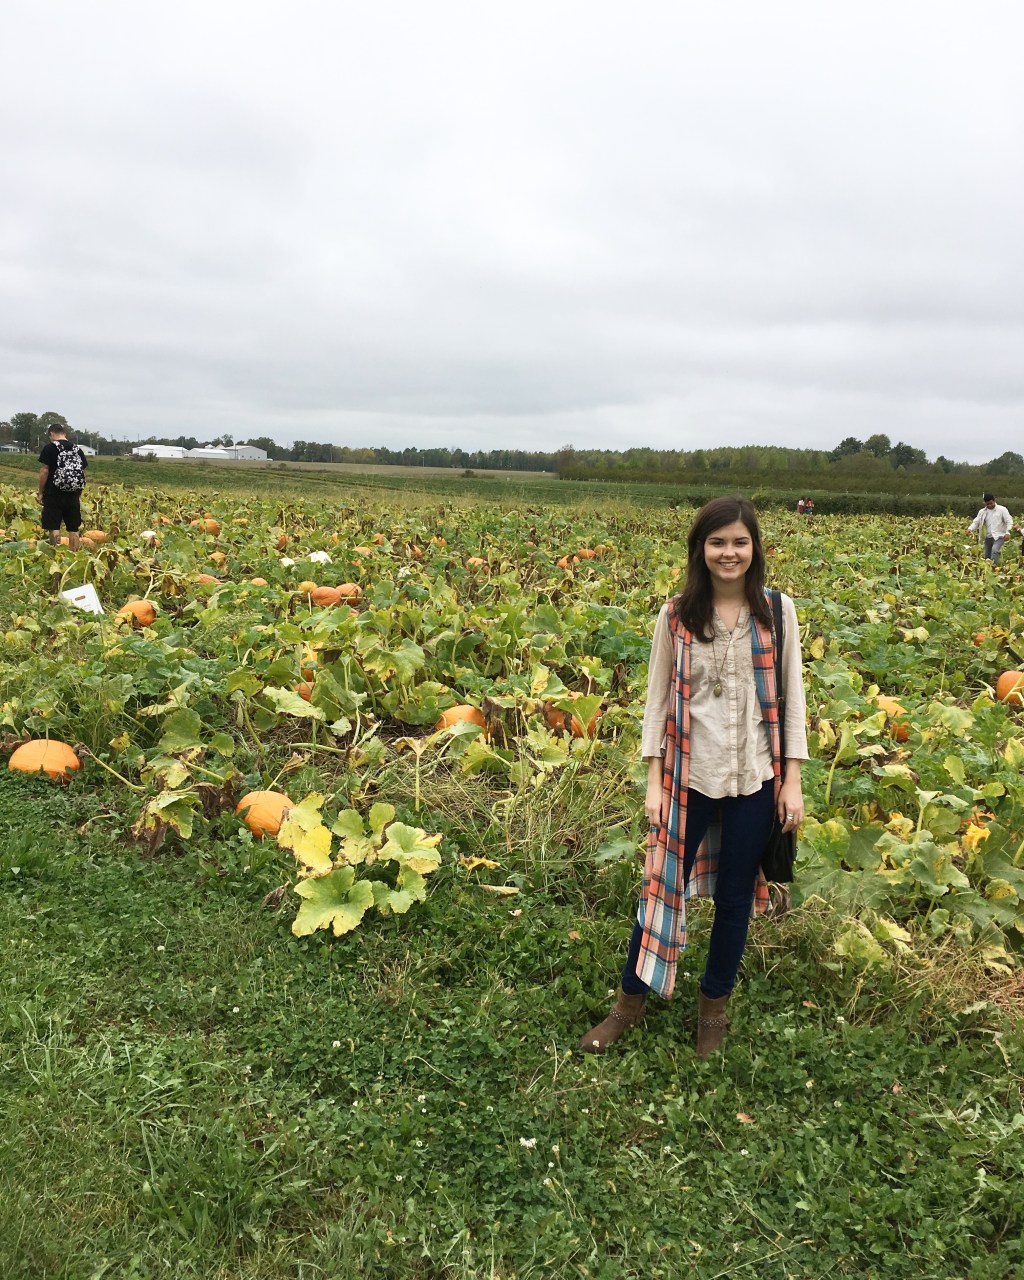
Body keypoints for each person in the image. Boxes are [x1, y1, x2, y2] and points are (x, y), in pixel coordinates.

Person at [581, 496, 809, 1059]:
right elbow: (656, 701)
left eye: (739, 542)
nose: (728, 553)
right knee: (661, 888)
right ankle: (627, 1005)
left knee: (735, 901)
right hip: (687, 777)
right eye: (717, 542)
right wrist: (654, 782)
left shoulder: (779, 613)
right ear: (700, 549)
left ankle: (714, 1010)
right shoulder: (676, 614)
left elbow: (794, 699)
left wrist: (793, 780)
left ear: (754, 549)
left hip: (754, 780)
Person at [37, 422, 88, 550]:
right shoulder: (77, 449)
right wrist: (79, 490)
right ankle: (75, 555)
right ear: (64, 433)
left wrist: (41, 492)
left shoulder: (50, 448)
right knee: (73, 527)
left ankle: (56, 554)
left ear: (51, 434)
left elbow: (44, 471)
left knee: (53, 525)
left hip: (54, 492)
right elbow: (83, 473)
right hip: (73, 493)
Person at [968, 493, 1013, 566]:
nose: (989, 505)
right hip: (988, 537)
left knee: (995, 551)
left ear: (994, 500)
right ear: (984, 503)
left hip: (999, 536)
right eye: (987, 504)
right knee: (987, 556)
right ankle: (986, 571)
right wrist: (970, 529)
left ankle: (993, 568)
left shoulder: (1002, 510)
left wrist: (1008, 532)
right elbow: (976, 522)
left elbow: (1009, 521)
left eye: (991, 503)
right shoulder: (982, 512)